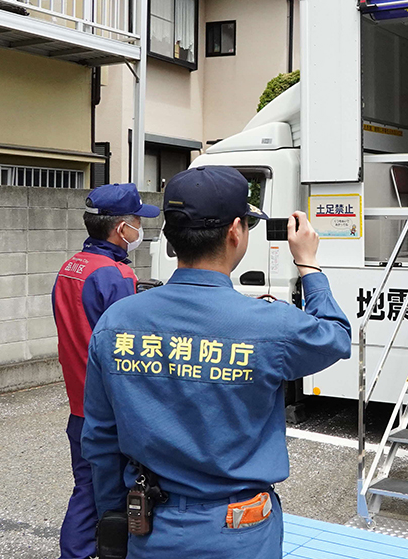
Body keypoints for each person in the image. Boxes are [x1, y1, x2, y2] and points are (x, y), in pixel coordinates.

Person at [81, 166, 351, 558]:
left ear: (171, 238)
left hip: (150, 529)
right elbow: (336, 336)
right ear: (235, 232)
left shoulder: (118, 322)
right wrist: (308, 264)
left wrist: (115, 514)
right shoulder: (269, 325)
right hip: (240, 532)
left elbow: (100, 438)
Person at [52, 183, 161, 559]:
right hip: (107, 406)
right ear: (121, 229)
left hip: (78, 399)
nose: (139, 231)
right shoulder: (116, 276)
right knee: (110, 495)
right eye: (137, 222)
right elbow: (126, 347)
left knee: (86, 484)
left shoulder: (71, 267)